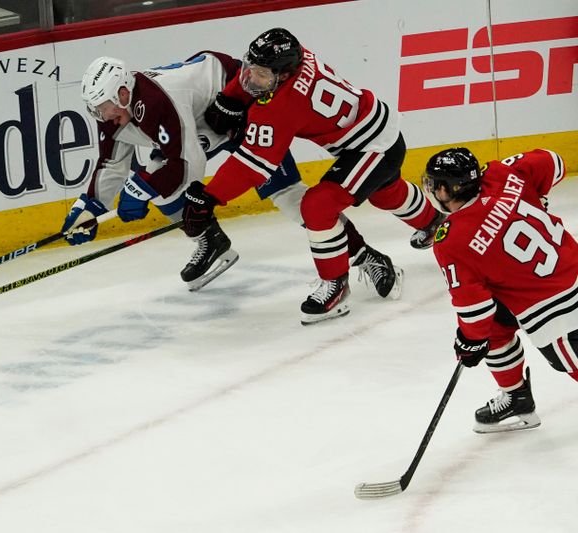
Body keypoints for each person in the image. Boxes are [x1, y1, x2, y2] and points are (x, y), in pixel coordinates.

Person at [63, 52, 402, 297]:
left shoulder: (155, 102)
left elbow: (185, 165)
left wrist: (142, 190)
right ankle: (210, 240)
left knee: (289, 198)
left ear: (123, 93)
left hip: (240, 111)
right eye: (95, 109)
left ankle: (366, 256)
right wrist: (90, 206)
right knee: (159, 181)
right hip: (199, 123)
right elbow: (111, 163)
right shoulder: (117, 113)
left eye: (103, 106)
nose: (101, 115)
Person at [181, 28, 444, 324]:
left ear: (282, 75)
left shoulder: (282, 105)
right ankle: (434, 222)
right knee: (384, 191)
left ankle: (336, 286)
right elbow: (262, 77)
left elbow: (253, 165)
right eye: (250, 69)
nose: (250, 78)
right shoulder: (297, 56)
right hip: (376, 131)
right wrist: (231, 98)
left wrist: (209, 196)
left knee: (317, 206)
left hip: (374, 147)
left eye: (261, 74)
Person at [423, 146, 575, 433]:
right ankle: (517, 398)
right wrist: (536, 198)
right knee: (494, 328)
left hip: (556, 309)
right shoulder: (501, 173)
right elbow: (553, 161)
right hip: (561, 271)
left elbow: (473, 306)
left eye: (433, 184)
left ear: (445, 189)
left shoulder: (451, 239)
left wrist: (469, 342)